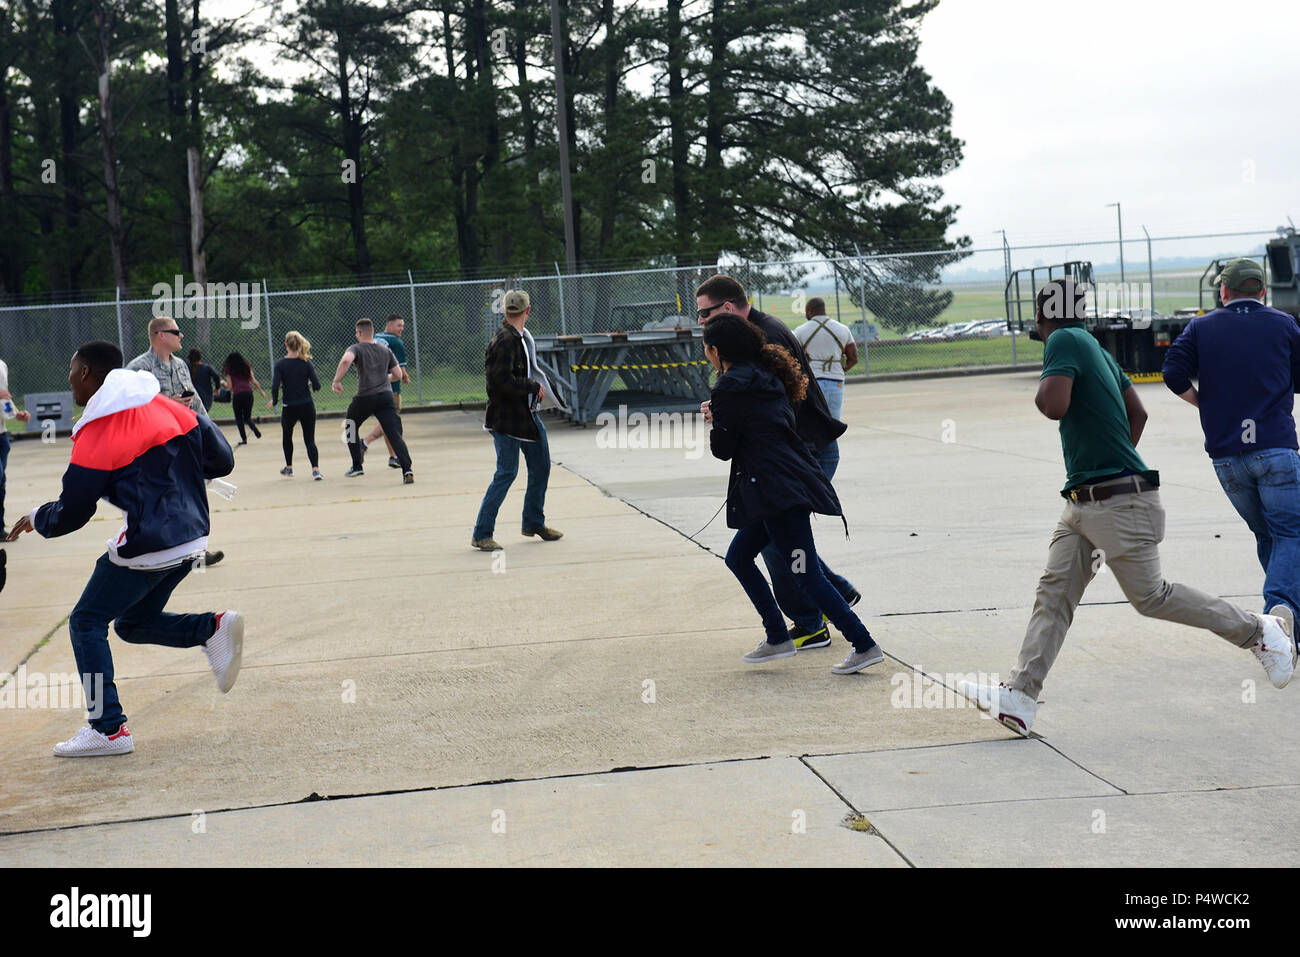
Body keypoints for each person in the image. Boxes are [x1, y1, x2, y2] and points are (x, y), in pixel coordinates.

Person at [959, 279, 1295, 737]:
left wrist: (1109, 468)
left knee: (1152, 596)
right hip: (1085, 500)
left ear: (1042, 318)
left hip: (1117, 501)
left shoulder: (1063, 339)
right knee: (1054, 594)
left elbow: (1054, 405)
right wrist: (1109, 462)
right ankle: (1020, 696)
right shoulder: (1096, 349)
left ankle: (1259, 631)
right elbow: (1138, 415)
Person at [6, 341, 242, 757]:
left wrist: (38, 516)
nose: (69, 381)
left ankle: (108, 729)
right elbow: (222, 461)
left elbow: (74, 511)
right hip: (194, 537)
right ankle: (211, 628)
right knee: (131, 623)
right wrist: (174, 478)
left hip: (150, 545)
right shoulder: (168, 406)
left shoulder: (99, 429)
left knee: (85, 622)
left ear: (85, 374)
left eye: (70, 372)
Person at [702, 313, 883, 674]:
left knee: (806, 573)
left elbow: (723, 448)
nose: (706, 355)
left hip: (778, 493)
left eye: (706, 349)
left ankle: (864, 644)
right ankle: (777, 637)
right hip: (780, 486)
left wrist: (715, 419)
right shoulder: (768, 376)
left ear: (717, 350)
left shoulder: (731, 386)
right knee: (738, 557)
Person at [1163, 258, 1300, 640]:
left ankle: (1289, 633)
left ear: (1223, 291)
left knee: (1268, 536)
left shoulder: (1201, 327)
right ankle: (1278, 609)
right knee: (1291, 533)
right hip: (1275, 449)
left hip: (1227, 458)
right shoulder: (1283, 323)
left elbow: (1172, 371)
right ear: (1263, 291)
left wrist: (1204, 402)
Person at [127, 317, 224, 568]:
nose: (181, 336)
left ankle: (195, 553)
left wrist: (210, 432)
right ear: (160, 335)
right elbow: (129, 408)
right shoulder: (138, 368)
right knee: (158, 503)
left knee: (192, 500)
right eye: (176, 332)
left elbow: (197, 401)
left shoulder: (180, 365)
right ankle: (153, 553)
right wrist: (168, 403)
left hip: (184, 444)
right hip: (155, 448)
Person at [471, 290, 562, 550]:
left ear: (504, 311)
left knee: (541, 465)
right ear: (528, 311)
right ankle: (481, 533)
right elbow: (499, 384)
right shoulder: (505, 341)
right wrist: (531, 386)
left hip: (525, 416)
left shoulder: (517, 337)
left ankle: (533, 522)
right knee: (506, 472)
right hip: (506, 419)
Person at [332, 317, 413, 483]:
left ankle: (357, 466)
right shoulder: (385, 350)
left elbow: (346, 360)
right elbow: (398, 375)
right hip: (385, 396)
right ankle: (407, 470)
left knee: (350, 425)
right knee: (394, 433)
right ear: (373, 332)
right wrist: (383, 378)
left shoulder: (356, 348)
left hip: (365, 396)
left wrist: (336, 380)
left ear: (359, 333)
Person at [793, 296, 857, 434]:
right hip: (836, 381)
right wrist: (840, 370)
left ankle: (815, 455)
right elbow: (854, 357)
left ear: (809, 311)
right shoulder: (843, 329)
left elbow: (791, 353)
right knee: (833, 425)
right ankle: (832, 455)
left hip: (813, 381)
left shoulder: (800, 330)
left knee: (812, 425)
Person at [268, 331, 323, 479]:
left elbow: (274, 386)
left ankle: (289, 467)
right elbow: (317, 385)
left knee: (287, 436)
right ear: (299, 345)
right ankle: (315, 469)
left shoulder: (280, 365)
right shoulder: (306, 362)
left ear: (286, 345)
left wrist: (274, 400)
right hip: (306, 405)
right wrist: (309, 383)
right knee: (309, 439)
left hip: (289, 406)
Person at [363, 314, 412, 469]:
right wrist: (405, 375)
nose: (402, 329)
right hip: (390, 388)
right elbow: (400, 369)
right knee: (389, 422)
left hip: (372, 385)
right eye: (399, 326)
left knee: (385, 421)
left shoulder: (375, 337)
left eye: (403, 326)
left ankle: (393, 456)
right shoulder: (396, 342)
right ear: (389, 325)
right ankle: (364, 442)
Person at [0, 356, 34, 538]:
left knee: (1, 484)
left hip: (1, 435)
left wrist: (15, 414)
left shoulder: (1, 365)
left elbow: (4, 396)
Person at [222, 352, 267, 445]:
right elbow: (253, 381)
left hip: (238, 395)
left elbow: (229, 387)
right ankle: (254, 428)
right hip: (248, 394)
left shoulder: (229, 369)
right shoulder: (246, 367)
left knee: (239, 418)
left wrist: (223, 383)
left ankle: (244, 439)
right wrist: (261, 391)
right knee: (247, 417)